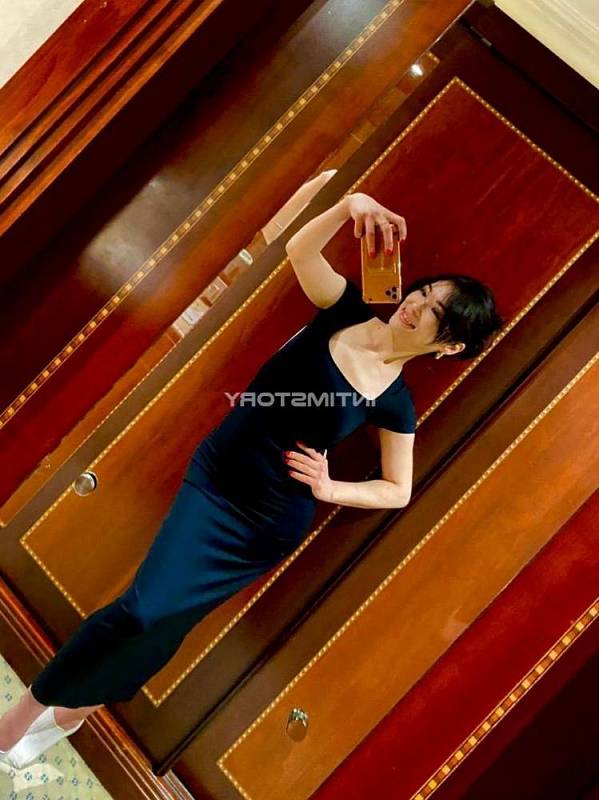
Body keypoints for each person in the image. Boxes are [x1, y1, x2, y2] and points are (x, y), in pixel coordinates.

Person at [0, 193, 502, 769]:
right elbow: (299, 249)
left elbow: (398, 488)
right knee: (141, 611)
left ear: (449, 345)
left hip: (267, 524)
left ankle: (63, 716)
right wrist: (349, 204)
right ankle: (22, 723)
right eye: (424, 291)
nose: (417, 305)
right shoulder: (346, 309)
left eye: (437, 312)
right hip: (217, 479)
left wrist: (331, 488)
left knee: (164, 627)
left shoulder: (396, 403)